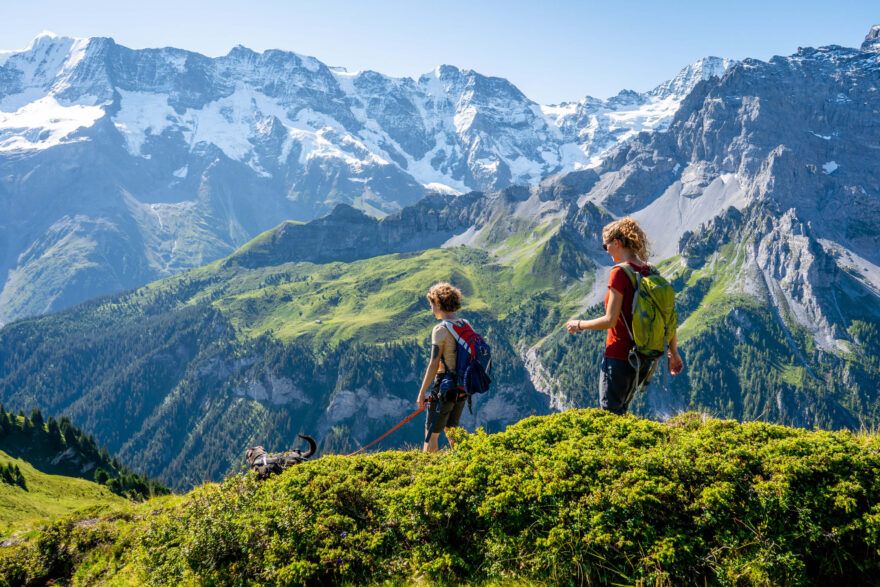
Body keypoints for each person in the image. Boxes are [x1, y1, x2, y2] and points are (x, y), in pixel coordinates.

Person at [566, 217, 684, 415]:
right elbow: (667, 318)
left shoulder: (619, 273)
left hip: (619, 355)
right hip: (643, 358)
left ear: (616, 243)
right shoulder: (649, 271)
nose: (605, 250)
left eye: (606, 245)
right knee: (621, 411)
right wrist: (673, 352)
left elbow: (610, 320)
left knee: (609, 415)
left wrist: (578, 324)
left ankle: (620, 446)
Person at [416, 282, 469, 452]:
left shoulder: (440, 329)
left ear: (438, 304)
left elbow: (433, 363)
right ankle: (464, 467)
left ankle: (428, 474)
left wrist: (422, 391)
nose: (431, 309)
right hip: (462, 386)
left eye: (431, 304)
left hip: (444, 385)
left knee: (431, 433)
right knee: (453, 430)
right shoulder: (465, 325)